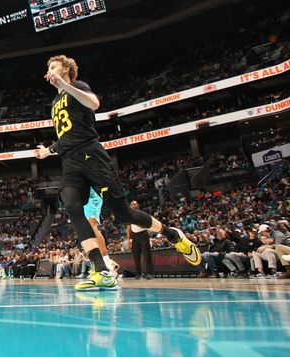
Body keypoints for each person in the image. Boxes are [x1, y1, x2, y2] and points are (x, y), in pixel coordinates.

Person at [33, 55, 200, 291]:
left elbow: (94, 104)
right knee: (71, 205)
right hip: (70, 162)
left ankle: (172, 234)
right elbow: (67, 136)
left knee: (123, 214)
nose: (48, 70)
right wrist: (48, 151)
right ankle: (101, 270)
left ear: (66, 68)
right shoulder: (55, 103)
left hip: (92, 156)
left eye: (53, 66)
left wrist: (64, 85)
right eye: (48, 68)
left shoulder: (77, 87)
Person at [84, 188, 120, 278]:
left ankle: (107, 264)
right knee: (87, 232)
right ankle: (105, 264)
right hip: (85, 195)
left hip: (91, 195)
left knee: (93, 228)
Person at [126, 200, 154, 279]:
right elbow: (128, 228)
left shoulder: (142, 213)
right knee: (136, 255)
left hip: (143, 234)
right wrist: (128, 240)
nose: (134, 205)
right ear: (130, 206)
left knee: (147, 254)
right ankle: (138, 273)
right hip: (134, 236)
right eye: (132, 204)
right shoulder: (129, 216)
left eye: (135, 204)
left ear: (138, 205)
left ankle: (149, 273)